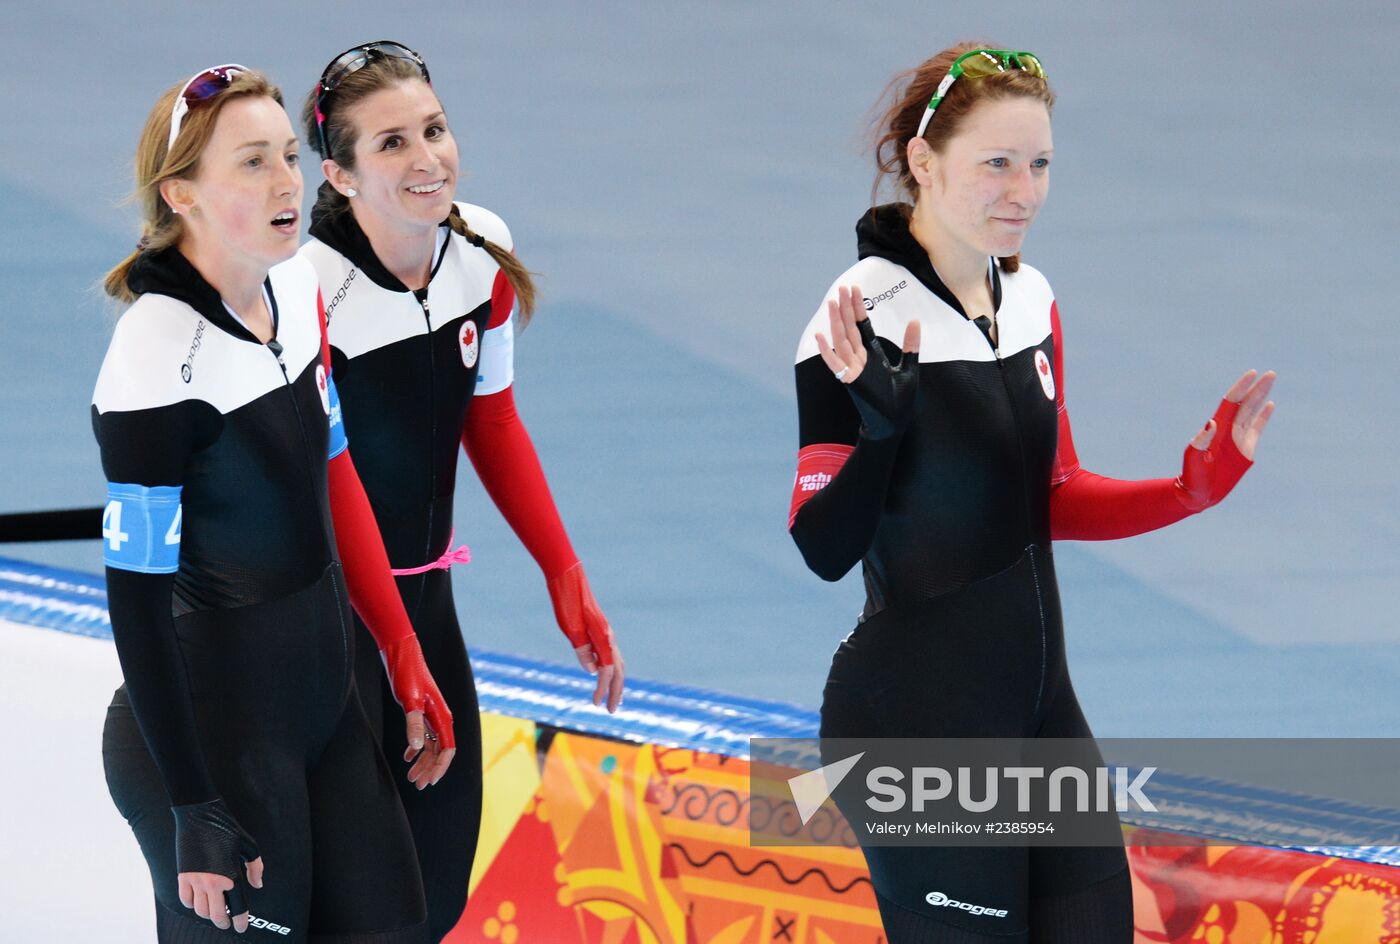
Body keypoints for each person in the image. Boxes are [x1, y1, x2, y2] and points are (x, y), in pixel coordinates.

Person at [788, 44, 1275, 942]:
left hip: (1039, 704)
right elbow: (821, 545)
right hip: (917, 724)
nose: (1025, 189)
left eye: (1040, 162)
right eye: (997, 163)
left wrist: (1190, 489)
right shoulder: (858, 310)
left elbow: (1047, 496)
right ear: (925, 163)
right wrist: (885, 431)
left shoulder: (1030, 297)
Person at [95, 64, 459, 942]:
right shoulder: (153, 357)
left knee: (393, 921)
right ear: (181, 192)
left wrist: (399, 645)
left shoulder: (292, 287)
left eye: (289, 156)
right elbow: (136, 608)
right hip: (213, 738)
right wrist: (193, 806)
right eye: (253, 163)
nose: (288, 183)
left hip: (322, 708)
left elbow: (333, 468)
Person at [296, 41, 625, 939]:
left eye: (434, 130)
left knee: (436, 901)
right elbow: (321, 482)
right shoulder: (304, 292)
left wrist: (564, 571)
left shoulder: (482, 253)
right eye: (392, 143)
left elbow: (495, 420)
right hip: (331, 630)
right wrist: (395, 650)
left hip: (427, 610)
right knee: (358, 912)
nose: (426, 157)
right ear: (340, 173)